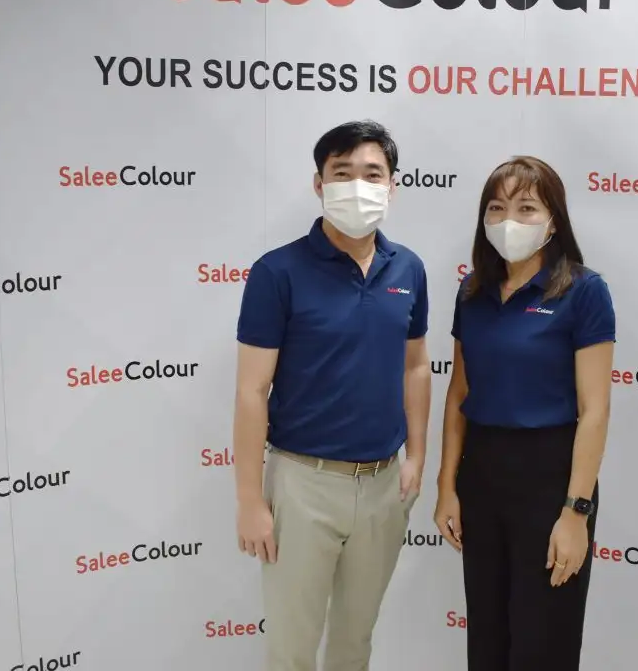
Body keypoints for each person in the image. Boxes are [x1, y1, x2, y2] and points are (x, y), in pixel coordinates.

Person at [233, 120, 431, 671]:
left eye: (372, 174)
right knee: (292, 648)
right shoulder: (278, 272)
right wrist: (250, 499)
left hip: (384, 485)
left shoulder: (407, 268)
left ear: (392, 186)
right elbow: (252, 390)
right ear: (319, 184)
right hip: (303, 484)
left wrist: (417, 456)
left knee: (354, 642)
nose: (358, 186)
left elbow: (416, 366)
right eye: (342, 173)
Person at [434, 156, 615, 671]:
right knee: (488, 639)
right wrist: (447, 486)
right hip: (482, 476)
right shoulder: (472, 291)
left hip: (550, 478)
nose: (509, 219)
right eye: (497, 207)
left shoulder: (583, 291)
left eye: (527, 208)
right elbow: (459, 393)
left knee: (543, 641)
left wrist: (575, 512)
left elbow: (595, 410)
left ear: (554, 220)